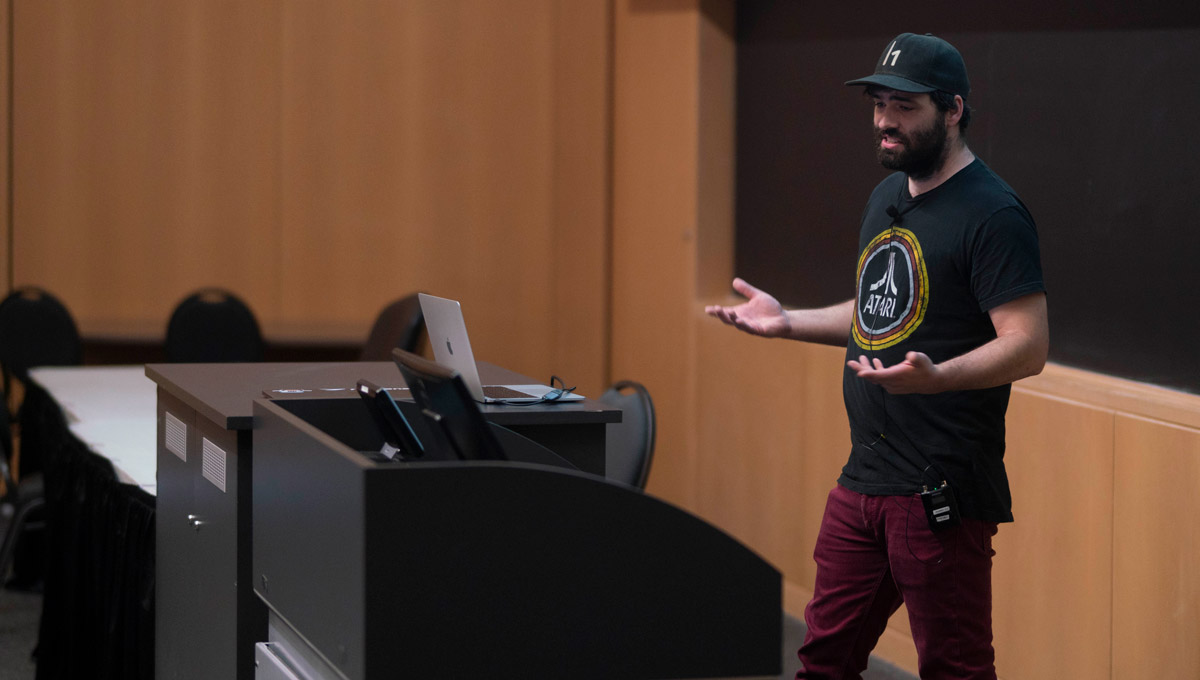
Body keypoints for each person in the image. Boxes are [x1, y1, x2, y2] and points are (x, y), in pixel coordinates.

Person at [706, 33, 1048, 680]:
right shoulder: (887, 197)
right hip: (864, 477)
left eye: (905, 107)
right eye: (879, 103)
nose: (885, 121)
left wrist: (939, 378)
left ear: (953, 110)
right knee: (823, 660)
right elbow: (876, 313)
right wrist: (787, 323)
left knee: (955, 668)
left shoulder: (993, 213)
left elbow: (1027, 346)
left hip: (939, 488)